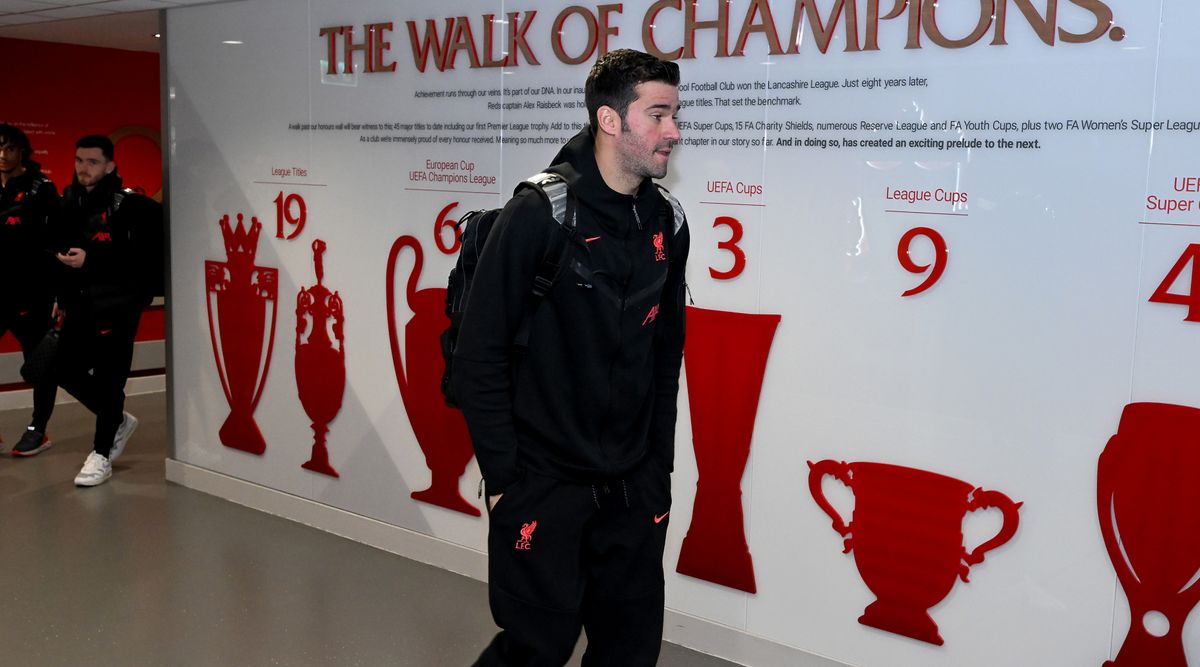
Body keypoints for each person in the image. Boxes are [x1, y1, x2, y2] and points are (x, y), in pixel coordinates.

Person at [453, 49, 689, 666]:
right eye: (658, 115)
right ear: (610, 121)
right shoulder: (539, 213)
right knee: (534, 650)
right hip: (544, 483)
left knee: (628, 652)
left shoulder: (668, 221)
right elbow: (478, 356)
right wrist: (505, 482)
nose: (674, 132)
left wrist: (656, 470)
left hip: (633, 490)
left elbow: (665, 358)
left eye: (675, 115)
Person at [54, 134, 160, 486]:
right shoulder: (69, 200)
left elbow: (142, 260)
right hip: (80, 305)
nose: (84, 168)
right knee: (63, 370)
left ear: (110, 165)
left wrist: (92, 259)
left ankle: (101, 455)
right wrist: (61, 293)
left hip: (117, 307)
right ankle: (116, 419)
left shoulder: (130, 206)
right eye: (79, 160)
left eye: (93, 162)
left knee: (110, 380)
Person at [0, 124, 61, 457]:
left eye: (9, 148)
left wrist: (57, 295)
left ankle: (38, 429)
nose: (2, 155)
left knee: (39, 364)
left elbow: (56, 245)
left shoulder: (42, 189)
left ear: (22, 150)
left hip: (31, 293)